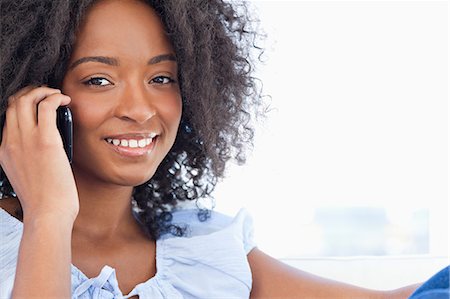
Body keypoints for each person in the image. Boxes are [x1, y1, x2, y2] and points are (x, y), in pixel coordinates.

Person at [0, 0, 435, 298]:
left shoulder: (207, 246)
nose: (140, 109)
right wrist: (49, 218)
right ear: (32, 96)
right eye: (99, 80)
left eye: (161, 79)